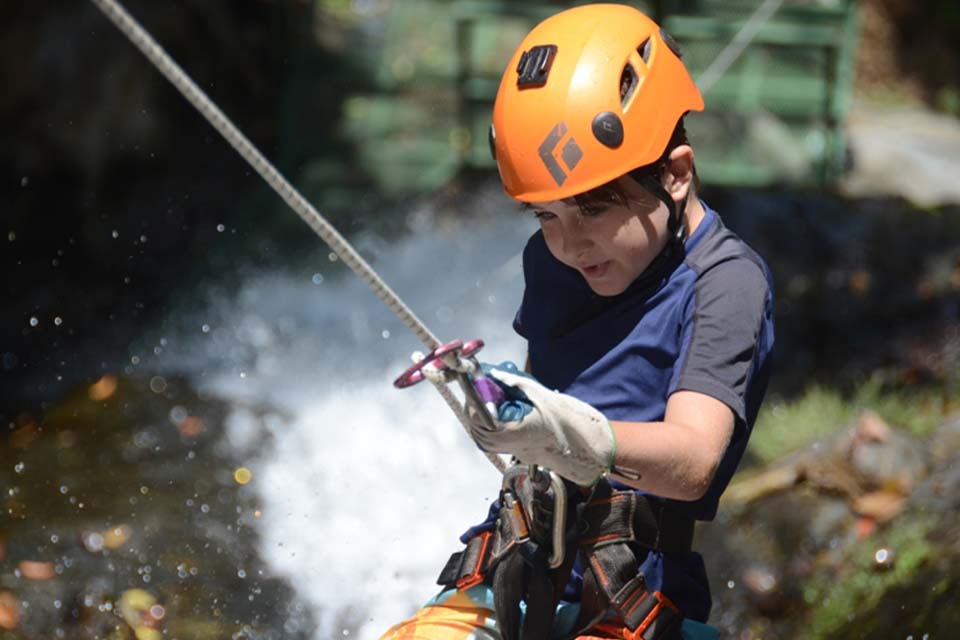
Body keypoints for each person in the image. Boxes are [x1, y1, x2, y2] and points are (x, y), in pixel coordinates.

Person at [381, 4, 774, 639]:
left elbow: (695, 458)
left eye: (591, 209)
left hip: (632, 589)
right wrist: (511, 415)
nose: (569, 244)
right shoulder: (562, 261)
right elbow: (544, 416)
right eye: (546, 215)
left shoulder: (727, 282)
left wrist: (566, 431)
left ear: (674, 174)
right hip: (516, 557)